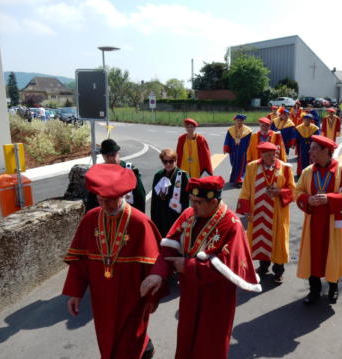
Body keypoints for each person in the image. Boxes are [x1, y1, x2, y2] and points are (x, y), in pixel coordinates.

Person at [140, 176, 261, 359]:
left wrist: (188, 266)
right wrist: (158, 274)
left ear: (214, 202)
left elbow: (229, 267)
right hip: (189, 293)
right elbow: (167, 248)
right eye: (191, 201)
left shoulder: (232, 225)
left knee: (210, 345)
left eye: (198, 202)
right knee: (186, 340)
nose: (192, 206)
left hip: (216, 299)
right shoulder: (189, 215)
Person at [62, 164, 164, 359]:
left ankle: (144, 349)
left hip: (133, 297)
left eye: (112, 200)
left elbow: (154, 266)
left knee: (130, 342)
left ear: (123, 195)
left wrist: (152, 297)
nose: (107, 206)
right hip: (102, 299)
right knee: (107, 339)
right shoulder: (90, 219)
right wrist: (75, 293)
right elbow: (80, 262)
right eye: (101, 200)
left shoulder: (139, 222)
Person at [295, 135, 342, 305]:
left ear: (326, 151)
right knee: (312, 255)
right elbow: (297, 191)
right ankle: (314, 290)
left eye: (314, 148)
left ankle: (333, 287)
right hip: (314, 222)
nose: (310, 151)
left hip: (333, 223)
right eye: (310, 148)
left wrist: (329, 198)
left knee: (333, 253)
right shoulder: (308, 171)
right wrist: (307, 199)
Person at [237, 142, 295, 283]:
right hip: (257, 212)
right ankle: (263, 267)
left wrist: (280, 192)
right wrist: (246, 211)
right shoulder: (252, 167)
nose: (272, 157)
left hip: (277, 213)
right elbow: (245, 190)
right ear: (262, 155)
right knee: (260, 240)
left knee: (278, 242)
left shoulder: (285, 168)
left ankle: (278, 271)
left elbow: (294, 190)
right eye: (268, 155)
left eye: (274, 154)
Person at [85, 139, 147, 213]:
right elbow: (92, 201)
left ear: (118, 153)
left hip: (127, 214)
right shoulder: (99, 174)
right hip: (106, 215)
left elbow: (140, 197)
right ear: (103, 156)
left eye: (114, 154)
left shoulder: (129, 170)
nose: (112, 158)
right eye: (108, 156)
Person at [150, 148, 190, 237]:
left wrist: (186, 219)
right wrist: (153, 219)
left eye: (171, 161)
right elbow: (154, 200)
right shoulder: (158, 175)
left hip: (176, 215)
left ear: (176, 161)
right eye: (165, 161)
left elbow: (188, 200)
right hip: (161, 215)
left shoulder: (182, 176)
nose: (168, 164)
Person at [223, 114, 252, 185]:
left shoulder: (248, 131)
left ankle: (240, 179)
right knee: (234, 163)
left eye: (241, 120)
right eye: (238, 120)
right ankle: (234, 178)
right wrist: (226, 146)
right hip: (233, 150)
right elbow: (227, 139)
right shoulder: (231, 130)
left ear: (243, 121)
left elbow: (250, 141)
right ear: (235, 121)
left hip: (243, 151)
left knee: (241, 165)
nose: (239, 122)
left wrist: (249, 149)